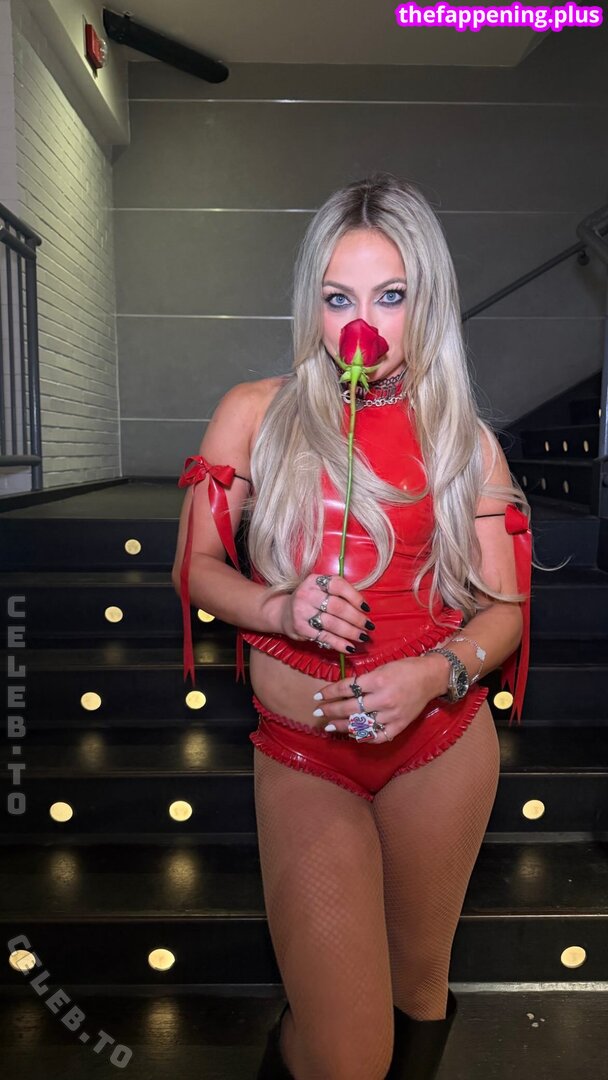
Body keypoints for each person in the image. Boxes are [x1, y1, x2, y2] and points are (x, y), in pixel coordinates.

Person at [171, 172, 534, 1080]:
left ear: (427, 301)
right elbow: (197, 568)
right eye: (338, 298)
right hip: (305, 755)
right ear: (313, 302)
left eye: (390, 296)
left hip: (440, 746)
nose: (359, 323)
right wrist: (279, 606)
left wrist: (434, 674)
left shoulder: (466, 441)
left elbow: (505, 610)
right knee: (346, 1053)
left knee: (417, 990)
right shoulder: (253, 414)